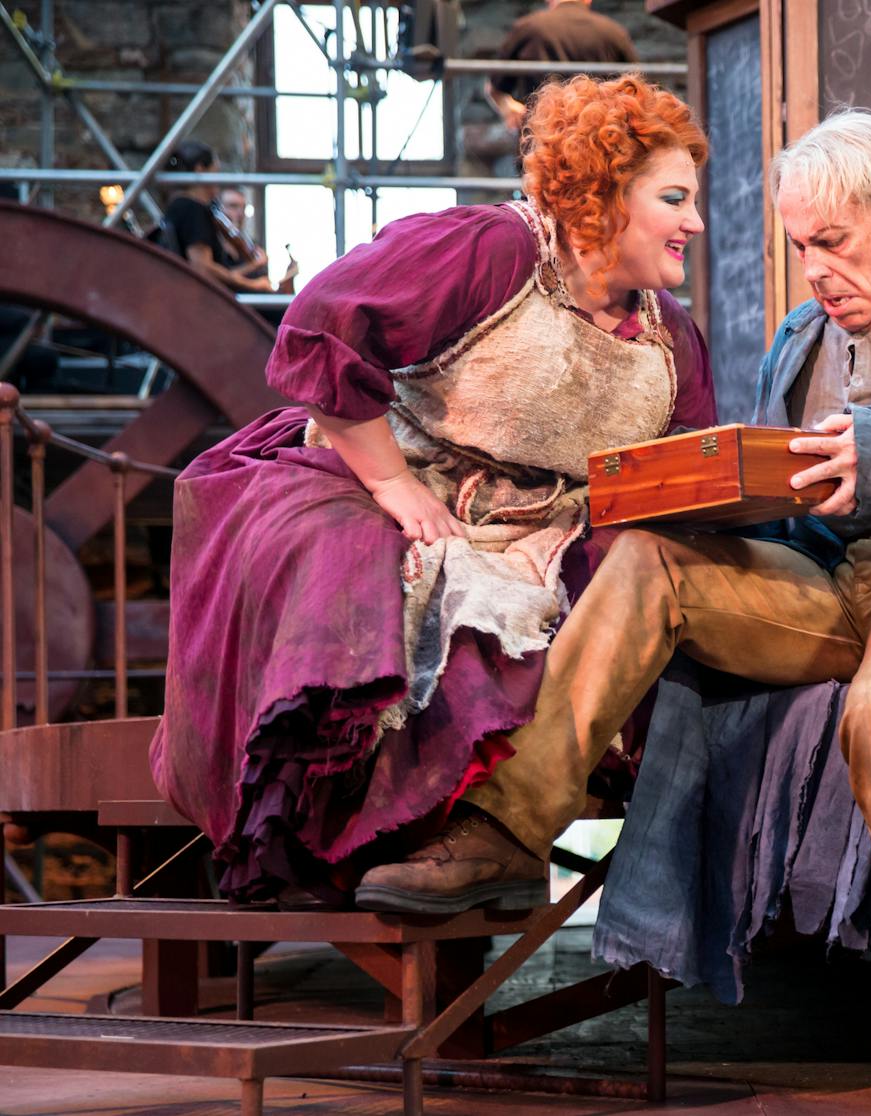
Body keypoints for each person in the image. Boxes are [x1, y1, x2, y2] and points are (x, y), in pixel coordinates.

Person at [366, 110, 871, 1115]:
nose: (813, 270)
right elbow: (783, 504)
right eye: (799, 245)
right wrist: (712, 496)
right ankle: (508, 829)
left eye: (832, 243)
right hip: (830, 587)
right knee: (650, 561)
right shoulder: (802, 338)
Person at [149, 75, 713, 907]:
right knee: (353, 563)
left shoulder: (674, 340)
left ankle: (494, 841)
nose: (695, 223)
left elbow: (682, 475)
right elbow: (325, 320)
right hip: (390, 472)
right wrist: (392, 481)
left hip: (549, 526)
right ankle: (361, 843)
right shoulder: (494, 252)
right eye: (674, 198)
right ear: (603, 194)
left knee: (631, 580)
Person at [485, 0, 637, 134]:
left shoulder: (529, 28)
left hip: (544, 143)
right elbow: (636, 89)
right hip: (600, 142)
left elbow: (494, 89)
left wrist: (510, 110)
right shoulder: (613, 33)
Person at [159, 141, 273, 294]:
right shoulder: (191, 209)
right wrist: (253, 285)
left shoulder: (181, 206)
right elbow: (203, 268)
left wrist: (252, 269)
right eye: (215, 171)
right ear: (200, 170)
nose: (218, 179)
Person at [214, 186, 298, 292]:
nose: (240, 213)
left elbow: (265, 281)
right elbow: (221, 277)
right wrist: (254, 266)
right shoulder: (215, 243)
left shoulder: (248, 243)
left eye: (243, 207)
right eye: (233, 206)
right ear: (219, 209)